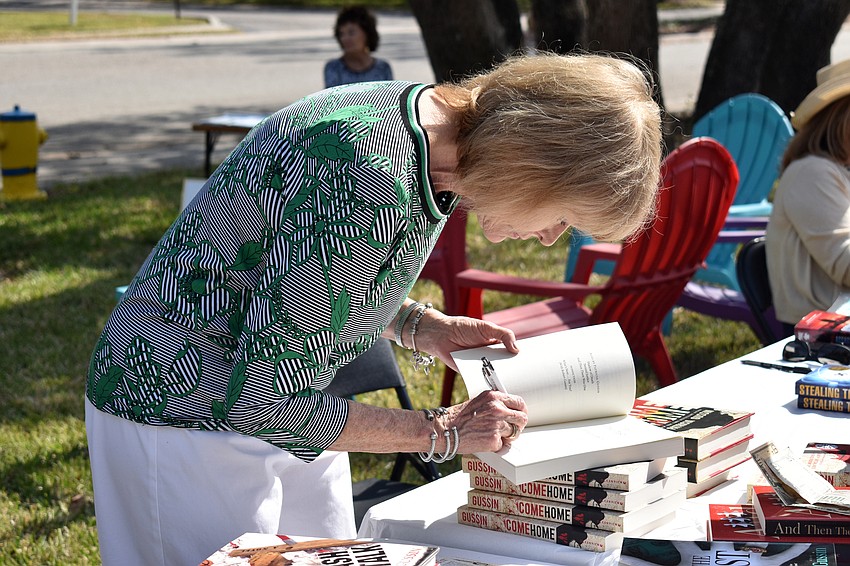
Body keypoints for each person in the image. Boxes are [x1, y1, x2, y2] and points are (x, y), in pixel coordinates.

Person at [85, 51, 662, 565]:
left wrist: (418, 324)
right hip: (181, 418)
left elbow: (316, 280)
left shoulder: (431, 137)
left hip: (292, 410)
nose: (549, 238)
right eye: (563, 216)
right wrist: (441, 432)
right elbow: (263, 401)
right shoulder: (363, 170)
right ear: (534, 165)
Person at [766, 59, 850, 327]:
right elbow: (845, 265)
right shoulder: (812, 173)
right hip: (823, 333)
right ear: (842, 118)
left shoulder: (832, 169)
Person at [324, 5, 393, 88]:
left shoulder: (382, 68)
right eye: (342, 34)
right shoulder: (334, 68)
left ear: (367, 33)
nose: (345, 38)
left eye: (351, 33)